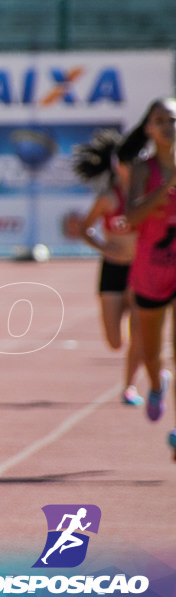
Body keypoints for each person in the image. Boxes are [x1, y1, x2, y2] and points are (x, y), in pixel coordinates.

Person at [72, 129, 143, 405]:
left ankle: (130, 386)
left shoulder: (149, 197)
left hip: (140, 271)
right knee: (115, 341)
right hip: (113, 269)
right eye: (127, 163)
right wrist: (104, 247)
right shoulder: (108, 198)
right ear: (118, 166)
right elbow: (85, 229)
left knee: (139, 329)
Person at [122, 98, 176, 459]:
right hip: (152, 267)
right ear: (149, 129)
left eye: (173, 119)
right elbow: (131, 218)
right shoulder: (142, 170)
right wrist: (164, 190)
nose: (168, 125)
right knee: (152, 353)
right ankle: (157, 384)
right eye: (160, 120)